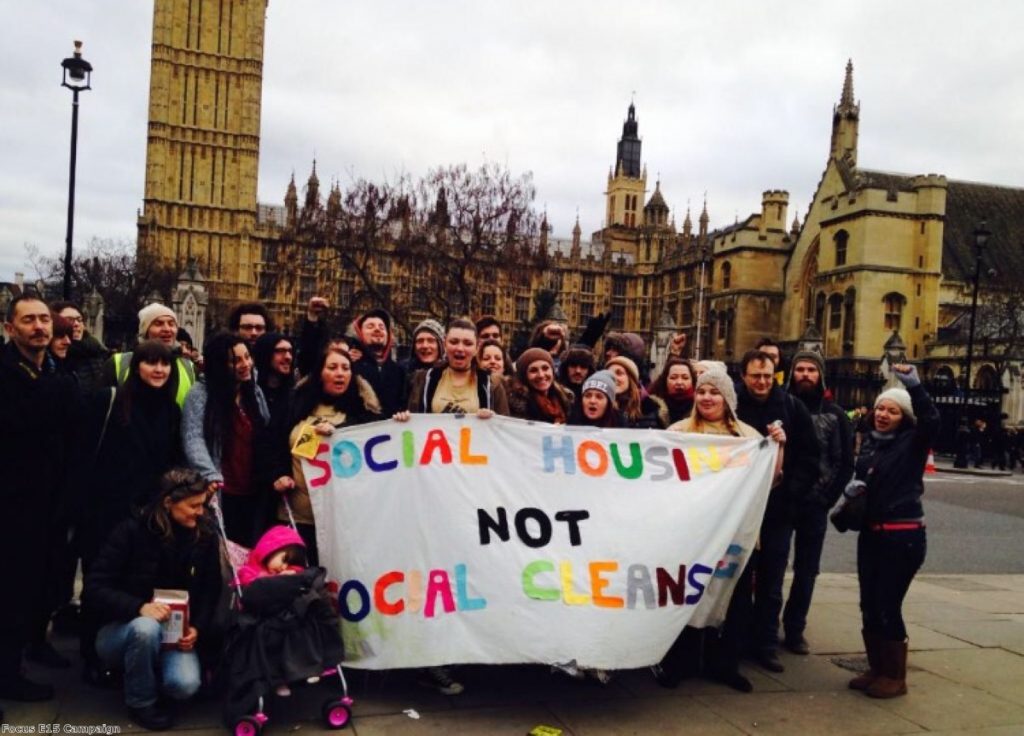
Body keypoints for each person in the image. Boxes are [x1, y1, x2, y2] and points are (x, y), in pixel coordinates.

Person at [657, 369, 784, 692]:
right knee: (688, 596)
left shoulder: (748, 437)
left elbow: (767, 480)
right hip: (693, 534)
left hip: (736, 535)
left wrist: (778, 448)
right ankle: (680, 662)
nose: (707, 398)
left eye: (714, 392)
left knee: (735, 600)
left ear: (727, 398)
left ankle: (724, 664)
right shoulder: (678, 431)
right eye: (702, 392)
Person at [81, 468, 223, 731]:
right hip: (121, 629)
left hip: (176, 634)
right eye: (193, 505)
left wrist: (197, 628)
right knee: (145, 629)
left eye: (202, 505)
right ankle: (140, 702)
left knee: (184, 686)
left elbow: (210, 590)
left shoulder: (204, 535)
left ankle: (148, 671)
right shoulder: (131, 531)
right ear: (168, 503)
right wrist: (138, 607)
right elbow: (94, 586)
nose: (200, 512)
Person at [77, 340, 183, 683]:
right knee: (101, 577)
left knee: (134, 581)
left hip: (147, 513)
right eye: (151, 363)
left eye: (165, 364)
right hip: (105, 510)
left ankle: (132, 651)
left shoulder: (171, 410)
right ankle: (93, 656)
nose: (158, 370)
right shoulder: (110, 400)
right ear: (136, 366)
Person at [0, 295, 79, 702]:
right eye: (28, 320)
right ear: (10, 328)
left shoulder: (53, 371)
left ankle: (22, 654)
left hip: (48, 501)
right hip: (12, 501)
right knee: (8, 590)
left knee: (35, 585)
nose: (40, 327)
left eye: (44, 319)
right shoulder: (10, 374)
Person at [846, 364, 938, 698]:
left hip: (903, 535)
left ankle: (895, 676)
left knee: (887, 603)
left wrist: (914, 384)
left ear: (904, 417)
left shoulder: (913, 442)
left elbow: (932, 421)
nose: (883, 414)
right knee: (868, 604)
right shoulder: (871, 446)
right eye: (880, 408)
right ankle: (877, 667)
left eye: (892, 410)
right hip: (871, 534)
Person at [735, 349, 819, 673]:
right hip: (740, 511)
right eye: (755, 376)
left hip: (777, 511)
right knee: (739, 579)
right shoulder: (734, 407)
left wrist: (791, 495)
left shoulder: (792, 408)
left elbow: (811, 458)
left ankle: (766, 643)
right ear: (744, 376)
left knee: (771, 582)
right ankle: (738, 639)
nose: (761, 382)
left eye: (768, 376)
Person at [273, 346, 381, 562]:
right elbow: (273, 445)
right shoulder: (295, 405)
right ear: (319, 373)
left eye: (346, 368)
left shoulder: (364, 415)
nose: (340, 373)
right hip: (297, 517)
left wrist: (339, 434)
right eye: (332, 367)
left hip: (342, 521)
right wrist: (277, 475)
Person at [782, 351, 854, 655]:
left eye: (811, 369)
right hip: (783, 500)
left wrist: (826, 498)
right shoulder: (781, 407)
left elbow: (845, 462)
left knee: (807, 569)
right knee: (771, 566)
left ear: (820, 374)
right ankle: (763, 627)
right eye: (800, 369)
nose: (805, 374)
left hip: (815, 502)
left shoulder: (836, 415)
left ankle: (795, 628)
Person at [182, 332, 270, 547]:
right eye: (236, 360)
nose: (245, 364)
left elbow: (266, 428)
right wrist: (209, 473)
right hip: (222, 489)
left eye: (247, 357)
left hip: (253, 488)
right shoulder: (201, 393)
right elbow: (193, 438)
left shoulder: (253, 392)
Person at [405, 319, 509, 417]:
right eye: (454, 342)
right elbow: (413, 423)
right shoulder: (424, 379)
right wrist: (403, 419)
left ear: (477, 348)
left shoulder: (492, 383)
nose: (460, 348)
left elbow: (504, 427)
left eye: (467, 343)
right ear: (445, 344)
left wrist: (493, 420)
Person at [105, 303, 196, 409]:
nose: (167, 329)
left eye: (171, 324)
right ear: (145, 330)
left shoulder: (189, 368)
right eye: (158, 323)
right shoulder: (118, 363)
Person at [351, 308, 406, 417]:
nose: (377, 329)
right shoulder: (350, 366)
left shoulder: (399, 371)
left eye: (382, 327)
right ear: (359, 333)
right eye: (370, 326)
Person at [52, 300, 110, 392]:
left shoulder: (95, 351)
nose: (76, 324)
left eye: (79, 320)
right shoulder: (51, 357)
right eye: (69, 320)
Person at [506, 347, 573, 424]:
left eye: (545, 368)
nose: (541, 375)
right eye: (533, 370)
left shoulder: (566, 400)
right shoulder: (517, 406)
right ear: (524, 377)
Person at [605, 355, 667, 429]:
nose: (613, 378)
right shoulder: (599, 407)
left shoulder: (649, 409)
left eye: (619, 373)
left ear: (631, 379)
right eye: (609, 374)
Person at [253, 332, 295, 420]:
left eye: (290, 351)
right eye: (280, 351)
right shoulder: (252, 395)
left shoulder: (295, 396)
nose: (288, 357)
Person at [648, 357, 696, 425]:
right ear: (665, 380)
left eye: (685, 378)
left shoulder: (701, 406)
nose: (679, 382)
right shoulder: (651, 405)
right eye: (673, 377)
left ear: (692, 381)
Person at [557, 344, 596, 413]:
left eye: (583, 366)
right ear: (565, 368)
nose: (578, 371)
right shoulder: (556, 392)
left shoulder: (594, 396)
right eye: (573, 365)